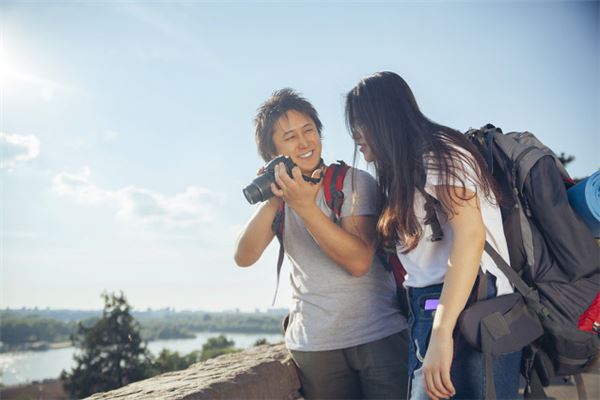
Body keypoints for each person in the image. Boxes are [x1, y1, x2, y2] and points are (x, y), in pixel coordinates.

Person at [345, 72, 522, 400]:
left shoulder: (437, 154)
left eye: (360, 123)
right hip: (441, 307)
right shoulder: (408, 167)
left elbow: (471, 236)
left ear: (383, 119)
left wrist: (441, 331)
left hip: (465, 305)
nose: (355, 135)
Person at [234, 88, 409, 399]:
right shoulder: (280, 201)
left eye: (309, 130)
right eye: (290, 137)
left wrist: (304, 206)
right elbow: (243, 257)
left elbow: (357, 262)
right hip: (315, 346)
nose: (304, 142)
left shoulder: (352, 182)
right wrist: (275, 198)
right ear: (272, 153)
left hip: (378, 335)